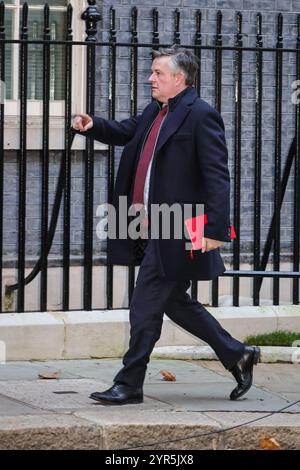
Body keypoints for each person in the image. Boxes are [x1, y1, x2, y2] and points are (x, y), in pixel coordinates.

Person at [72, 46, 260, 405]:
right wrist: (94, 125)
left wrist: (215, 231)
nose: (150, 78)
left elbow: (218, 177)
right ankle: (237, 353)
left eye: (158, 73)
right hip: (150, 224)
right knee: (173, 300)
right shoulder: (156, 111)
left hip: (178, 228)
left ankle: (129, 383)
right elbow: (128, 131)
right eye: (152, 72)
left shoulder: (200, 114)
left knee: (145, 302)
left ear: (179, 78)